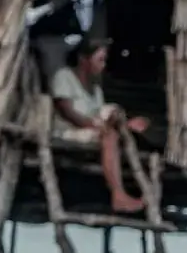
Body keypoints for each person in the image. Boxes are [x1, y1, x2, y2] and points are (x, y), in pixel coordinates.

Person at [50, 38, 148, 213]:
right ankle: (118, 195)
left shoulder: (96, 91)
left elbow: (100, 117)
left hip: (91, 132)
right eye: (100, 59)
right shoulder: (64, 76)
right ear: (84, 59)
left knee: (114, 115)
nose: (103, 65)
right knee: (110, 136)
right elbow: (67, 112)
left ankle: (126, 125)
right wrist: (95, 126)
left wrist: (112, 123)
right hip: (68, 132)